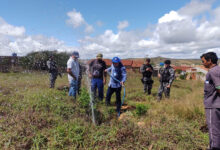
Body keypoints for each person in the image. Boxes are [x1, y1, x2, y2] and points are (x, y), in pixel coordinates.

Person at [200, 52, 220, 150]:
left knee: (213, 129)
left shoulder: (213, 71)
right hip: (216, 104)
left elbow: (219, 87)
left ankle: (214, 147)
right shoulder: (217, 70)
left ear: (209, 61)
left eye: (203, 61)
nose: (202, 63)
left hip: (213, 105)